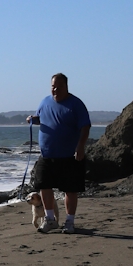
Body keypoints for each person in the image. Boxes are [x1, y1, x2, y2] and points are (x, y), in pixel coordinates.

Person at [26, 73, 91, 234]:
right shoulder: (45, 101)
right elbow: (43, 118)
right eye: (53, 86)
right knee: (44, 186)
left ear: (66, 87)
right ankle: (50, 219)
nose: (55, 89)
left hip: (70, 155)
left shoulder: (75, 104)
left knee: (70, 190)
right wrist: (33, 119)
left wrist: (80, 146)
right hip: (47, 154)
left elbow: (85, 126)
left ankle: (69, 222)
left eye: (59, 87)